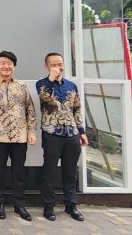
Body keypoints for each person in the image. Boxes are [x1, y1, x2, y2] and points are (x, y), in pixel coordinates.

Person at [0, 51, 36, 221]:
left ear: (14, 66)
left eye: (9, 63)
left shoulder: (21, 85)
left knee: (19, 172)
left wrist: (32, 131)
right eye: (2, 63)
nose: (6, 66)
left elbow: (29, 109)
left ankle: (20, 205)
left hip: (20, 135)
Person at [36, 52, 88, 222]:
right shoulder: (42, 84)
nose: (58, 67)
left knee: (70, 172)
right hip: (52, 133)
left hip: (71, 134)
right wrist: (51, 79)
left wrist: (81, 131)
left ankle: (71, 205)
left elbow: (77, 109)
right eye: (53, 64)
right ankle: (48, 206)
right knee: (49, 172)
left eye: (60, 64)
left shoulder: (72, 86)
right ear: (46, 66)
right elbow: (44, 99)